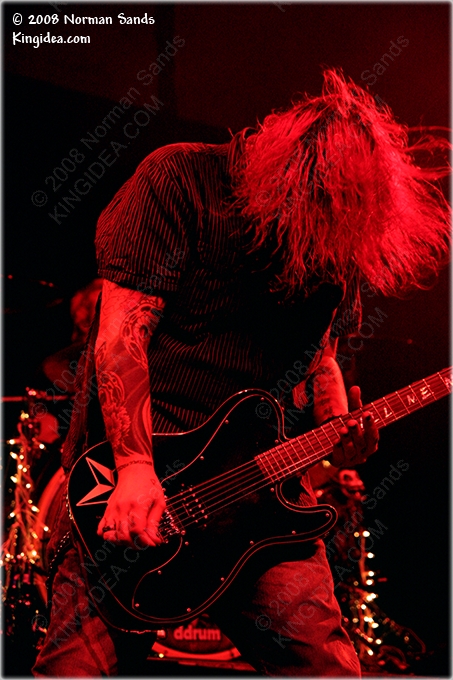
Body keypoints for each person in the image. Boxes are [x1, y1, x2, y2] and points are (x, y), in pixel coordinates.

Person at [33, 68, 450, 677]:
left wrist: (338, 430)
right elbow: (122, 336)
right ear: (288, 175)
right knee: (75, 670)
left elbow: (322, 359)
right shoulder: (181, 179)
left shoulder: (339, 237)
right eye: (319, 203)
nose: (325, 223)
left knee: (326, 669)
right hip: (134, 481)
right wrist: (136, 466)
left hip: (263, 504)